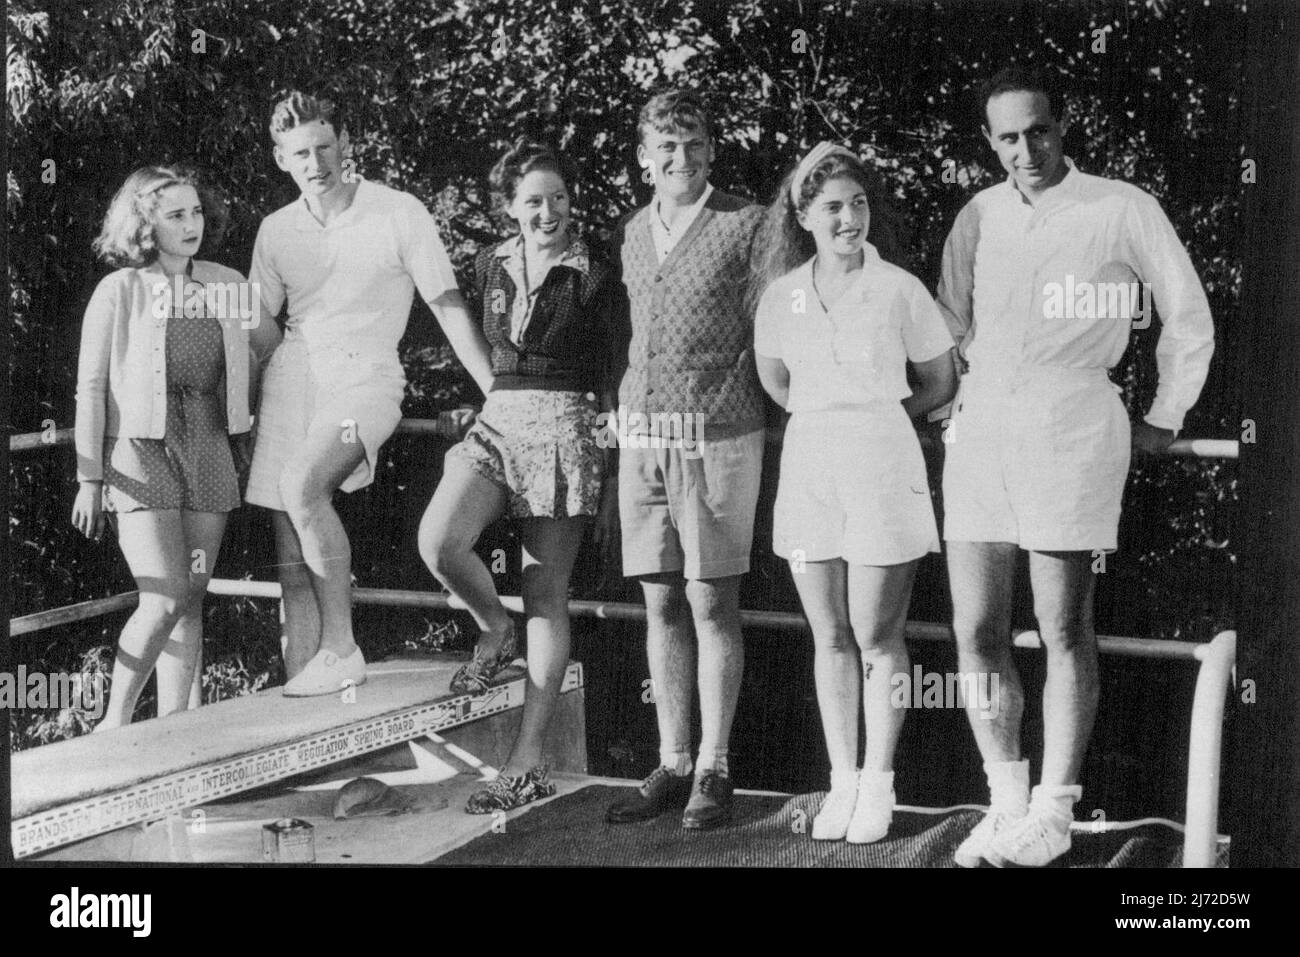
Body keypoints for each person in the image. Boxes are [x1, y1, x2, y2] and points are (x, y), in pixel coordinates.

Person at [937, 67, 1215, 866]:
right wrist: (941, 401)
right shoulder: (979, 214)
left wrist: (1164, 415)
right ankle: (1006, 800)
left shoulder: (1122, 206)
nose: (1027, 148)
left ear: (1063, 125)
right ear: (991, 143)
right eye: (1008, 137)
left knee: (1062, 624)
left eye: (1039, 130)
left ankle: (1056, 811)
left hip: (1073, 424)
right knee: (976, 627)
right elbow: (947, 326)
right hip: (982, 427)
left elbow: (1188, 314)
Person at [244, 92, 488, 696]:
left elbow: (446, 303)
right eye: (300, 152)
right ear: (281, 159)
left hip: (366, 384)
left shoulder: (397, 211)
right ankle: (305, 714)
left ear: (345, 144)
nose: (315, 161)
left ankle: (342, 647)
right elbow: (258, 325)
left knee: (305, 486)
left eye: (325, 146)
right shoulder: (276, 230)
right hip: (290, 381)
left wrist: (497, 392)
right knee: (292, 565)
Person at [750, 143, 957, 842]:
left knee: (876, 632)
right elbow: (778, 384)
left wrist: (879, 419)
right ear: (803, 215)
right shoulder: (782, 296)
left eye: (859, 203)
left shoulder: (900, 287)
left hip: (881, 465)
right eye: (833, 206)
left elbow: (939, 380)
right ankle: (841, 780)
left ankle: (880, 782)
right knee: (830, 633)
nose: (849, 218)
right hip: (810, 467)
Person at [417, 139, 622, 813]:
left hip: (567, 428)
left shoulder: (597, 271)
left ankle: (526, 762)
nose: (548, 211)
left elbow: (616, 367)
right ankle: (491, 627)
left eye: (558, 197)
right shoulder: (489, 261)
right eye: (533, 200)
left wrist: (614, 443)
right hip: (499, 419)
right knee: (440, 541)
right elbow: (490, 347)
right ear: (511, 206)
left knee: (544, 592)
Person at [604, 89, 766, 830]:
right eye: (665, 146)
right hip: (643, 434)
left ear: (711, 148)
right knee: (661, 599)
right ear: (644, 158)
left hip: (720, 432)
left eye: (694, 142)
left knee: (711, 601)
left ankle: (715, 765)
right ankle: (671, 761)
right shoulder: (634, 230)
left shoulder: (749, 222)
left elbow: (787, 320)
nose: (681, 157)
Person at [72, 165, 278, 729]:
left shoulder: (227, 283)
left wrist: (250, 410)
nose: (192, 225)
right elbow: (90, 386)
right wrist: (89, 477)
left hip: (211, 445)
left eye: (197, 213)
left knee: (191, 596)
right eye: (176, 215)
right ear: (145, 224)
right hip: (139, 453)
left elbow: (271, 349)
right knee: (162, 598)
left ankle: (176, 734)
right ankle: (113, 726)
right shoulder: (121, 290)